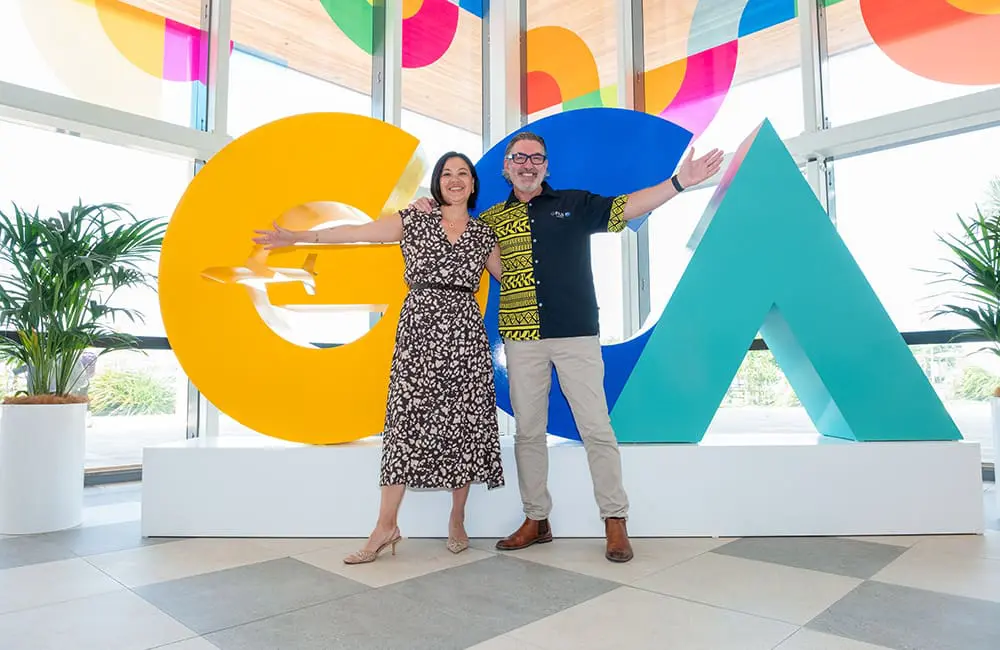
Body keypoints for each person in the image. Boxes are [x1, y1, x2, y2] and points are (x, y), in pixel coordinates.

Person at [412, 133, 723, 563]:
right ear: (506, 167)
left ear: (546, 167)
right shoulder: (489, 223)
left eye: (536, 158)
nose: (527, 164)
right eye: (518, 157)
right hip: (521, 339)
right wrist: (420, 205)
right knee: (528, 433)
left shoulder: (574, 204)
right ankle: (536, 519)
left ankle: (615, 520)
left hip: (576, 334)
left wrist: (678, 183)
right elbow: (452, 229)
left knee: (596, 428)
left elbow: (626, 206)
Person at [253, 152, 505, 564]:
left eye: (463, 174)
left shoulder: (483, 235)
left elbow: (513, 280)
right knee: (404, 424)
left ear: (473, 185)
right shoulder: (413, 220)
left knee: (465, 424)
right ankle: (385, 526)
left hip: (465, 338)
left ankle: (457, 519)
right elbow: (357, 231)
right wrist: (297, 238)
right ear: (437, 184)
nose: (455, 180)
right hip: (419, 335)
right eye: (447, 173)